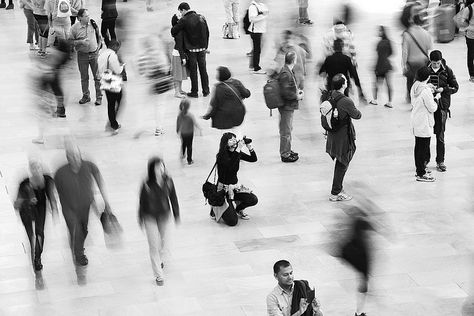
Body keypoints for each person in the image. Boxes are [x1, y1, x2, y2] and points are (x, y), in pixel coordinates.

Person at [54, 140, 114, 266]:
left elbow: (100, 182)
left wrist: (106, 202)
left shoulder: (89, 166)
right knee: (75, 229)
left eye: (77, 155)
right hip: (69, 208)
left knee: (84, 230)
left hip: (85, 207)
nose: (76, 158)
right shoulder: (60, 172)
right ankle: (79, 254)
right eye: (72, 156)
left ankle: (78, 247)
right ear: (67, 158)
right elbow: (57, 191)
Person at [138, 157, 180, 286]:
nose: (161, 168)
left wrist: (176, 213)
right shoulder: (146, 183)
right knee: (153, 245)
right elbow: (142, 201)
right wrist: (140, 217)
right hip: (149, 217)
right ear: (152, 169)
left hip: (164, 216)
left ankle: (160, 259)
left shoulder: (168, 181)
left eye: (162, 166)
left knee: (164, 243)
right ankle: (158, 275)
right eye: (157, 166)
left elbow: (173, 197)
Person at [14, 157, 58, 272]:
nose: (36, 170)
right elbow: (17, 203)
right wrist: (26, 200)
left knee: (40, 233)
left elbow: (51, 195)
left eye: (38, 167)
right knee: (31, 236)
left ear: (41, 167)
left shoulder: (48, 180)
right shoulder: (24, 184)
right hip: (27, 211)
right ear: (30, 169)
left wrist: (54, 208)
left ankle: (37, 257)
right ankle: (33, 249)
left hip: (40, 209)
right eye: (33, 168)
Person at [326, 74, 361, 201]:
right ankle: (335, 193)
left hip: (333, 135)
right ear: (343, 85)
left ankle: (338, 188)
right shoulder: (346, 101)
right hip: (343, 137)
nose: (347, 82)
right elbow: (357, 115)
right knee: (343, 162)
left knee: (340, 162)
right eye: (345, 81)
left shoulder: (331, 95)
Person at [213, 132, 258, 225]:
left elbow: (253, 159)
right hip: (223, 190)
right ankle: (216, 208)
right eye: (230, 139)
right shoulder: (221, 156)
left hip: (235, 188)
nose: (234, 140)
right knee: (232, 222)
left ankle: (238, 209)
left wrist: (249, 146)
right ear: (225, 143)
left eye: (234, 139)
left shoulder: (237, 153)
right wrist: (238, 149)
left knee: (253, 199)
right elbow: (229, 166)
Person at [427, 50, 458, 172]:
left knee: (440, 135)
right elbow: (417, 85)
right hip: (428, 107)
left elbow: (455, 87)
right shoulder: (425, 70)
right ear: (430, 61)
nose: (436, 66)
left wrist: (443, 89)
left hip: (442, 107)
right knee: (426, 135)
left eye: (438, 63)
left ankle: (440, 161)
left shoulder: (447, 71)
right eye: (434, 63)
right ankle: (425, 160)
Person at [171, 2, 210, 98]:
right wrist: (205, 46)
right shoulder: (201, 17)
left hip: (191, 49)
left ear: (183, 10)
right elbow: (207, 32)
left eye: (180, 12)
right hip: (202, 49)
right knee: (203, 69)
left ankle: (194, 91)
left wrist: (177, 21)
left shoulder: (184, 20)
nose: (181, 14)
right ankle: (206, 90)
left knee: (193, 70)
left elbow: (173, 31)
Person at [339, 211, 374, 316]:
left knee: (363, 281)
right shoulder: (361, 244)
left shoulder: (353, 238)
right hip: (360, 257)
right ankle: (359, 312)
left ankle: (360, 311)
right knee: (363, 282)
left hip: (355, 255)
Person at [69, 8, 103, 106]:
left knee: (97, 77)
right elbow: (70, 42)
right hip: (82, 55)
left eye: (88, 15)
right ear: (80, 18)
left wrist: (98, 47)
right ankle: (86, 96)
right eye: (86, 16)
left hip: (94, 54)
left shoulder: (92, 23)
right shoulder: (74, 28)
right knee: (84, 77)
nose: (88, 17)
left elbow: (99, 35)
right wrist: (80, 42)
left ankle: (99, 97)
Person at [410, 66, 439, 182]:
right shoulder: (425, 91)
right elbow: (432, 108)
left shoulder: (415, 85)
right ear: (427, 77)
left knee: (418, 147)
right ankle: (421, 173)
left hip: (416, 120)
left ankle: (420, 169)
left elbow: (421, 93)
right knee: (423, 148)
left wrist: (428, 88)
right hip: (424, 122)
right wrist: (436, 98)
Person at [401, 10, 432, 103]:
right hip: (423, 62)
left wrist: (403, 63)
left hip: (411, 62)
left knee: (410, 81)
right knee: (422, 82)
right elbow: (429, 48)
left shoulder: (407, 34)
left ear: (412, 21)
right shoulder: (426, 33)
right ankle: (421, 98)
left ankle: (411, 98)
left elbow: (405, 51)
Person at [279, 51, 303, 163]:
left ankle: (287, 149)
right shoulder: (285, 73)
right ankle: (285, 153)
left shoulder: (288, 70)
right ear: (294, 60)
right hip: (286, 106)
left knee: (288, 129)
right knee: (286, 130)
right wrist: (296, 96)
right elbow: (285, 93)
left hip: (289, 106)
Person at [98, 39, 124, 135]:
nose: (118, 50)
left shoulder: (101, 54)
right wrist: (122, 66)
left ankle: (113, 123)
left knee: (110, 104)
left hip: (105, 80)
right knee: (118, 101)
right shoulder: (112, 55)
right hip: (113, 81)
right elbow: (117, 70)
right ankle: (113, 124)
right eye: (118, 47)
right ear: (114, 46)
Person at [370, 25, 393, 108]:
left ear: (383, 32)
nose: (378, 32)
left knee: (376, 83)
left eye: (380, 31)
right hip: (387, 65)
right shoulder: (389, 42)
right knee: (388, 84)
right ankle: (390, 102)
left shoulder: (380, 43)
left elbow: (378, 54)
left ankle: (375, 100)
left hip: (380, 65)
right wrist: (386, 57)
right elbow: (392, 53)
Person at [176, 98, 200, 165]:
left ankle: (183, 154)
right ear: (188, 107)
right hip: (190, 133)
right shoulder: (190, 116)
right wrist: (199, 129)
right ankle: (189, 160)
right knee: (189, 146)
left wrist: (177, 130)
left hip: (183, 133)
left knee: (183, 143)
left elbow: (178, 124)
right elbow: (195, 123)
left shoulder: (179, 115)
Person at [248, 0, 269, 74]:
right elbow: (252, 19)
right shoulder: (252, 7)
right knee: (257, 50)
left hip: (260, 31)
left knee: (256, 49)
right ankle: (256, 67)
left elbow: (266, 12)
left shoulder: (262, 5)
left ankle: (253, 65)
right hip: (255, 32)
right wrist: (263, 16)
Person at [171, 13, 188, 98]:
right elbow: (180, 46)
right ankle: (176, 92)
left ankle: (180, 89)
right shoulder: (178, 31)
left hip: (179, 53)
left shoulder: (180, 30)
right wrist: (183, 57)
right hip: (178, 54)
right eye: (180, 17)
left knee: (180, 73)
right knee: (177, 74)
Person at [461, 0, 474, 82]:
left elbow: (462, 22)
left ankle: (472, 75)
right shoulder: (468, 9)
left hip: (470, 35)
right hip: (471, 35)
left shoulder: (468, 9)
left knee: (471, 55)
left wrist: (466, 28)